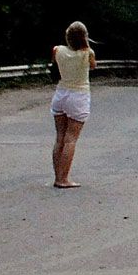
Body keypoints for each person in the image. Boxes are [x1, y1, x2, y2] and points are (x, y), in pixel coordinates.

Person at [50, 21, 97, 189]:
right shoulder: (88, 53)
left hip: (61, 93)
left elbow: (55, 63)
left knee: (60, 138)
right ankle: (64, 178)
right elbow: (93, 67)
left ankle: (57, 177)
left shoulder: (57, 50)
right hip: (78, 95)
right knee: (71, 139)